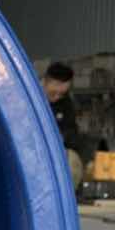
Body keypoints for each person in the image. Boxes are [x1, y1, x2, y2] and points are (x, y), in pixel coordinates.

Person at [42, 60, 84, 188]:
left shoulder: (65, 103)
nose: (57, 97)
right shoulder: (29, 96)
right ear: (46, 81)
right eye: (53, 93)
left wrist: (61, 138)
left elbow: (72, 131)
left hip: (56, 155)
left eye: (61, 94)